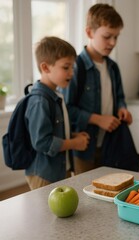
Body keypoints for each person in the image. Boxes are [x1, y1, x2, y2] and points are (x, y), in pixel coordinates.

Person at [61, 3, 132, 174]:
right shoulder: (76, 68)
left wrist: (122, 108)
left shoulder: (113, 67)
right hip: (84, 148)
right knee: (85, 195)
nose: (113, 42)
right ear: (89, 32)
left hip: (110, 144)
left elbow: (120, 97)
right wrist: (97, 119)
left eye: (116, 37)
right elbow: (66, 110)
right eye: (107, 36)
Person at [26, 36, 90, 190]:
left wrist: (73, 135)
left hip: (60, 170)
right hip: (45, 174)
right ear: (45, 68)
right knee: (45, 213)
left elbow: (54, 130)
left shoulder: (56, 95)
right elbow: (42, 142)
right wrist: (74, 143)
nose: (71, 73)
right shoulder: (40, 101)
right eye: (66, 67)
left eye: (72, 67)